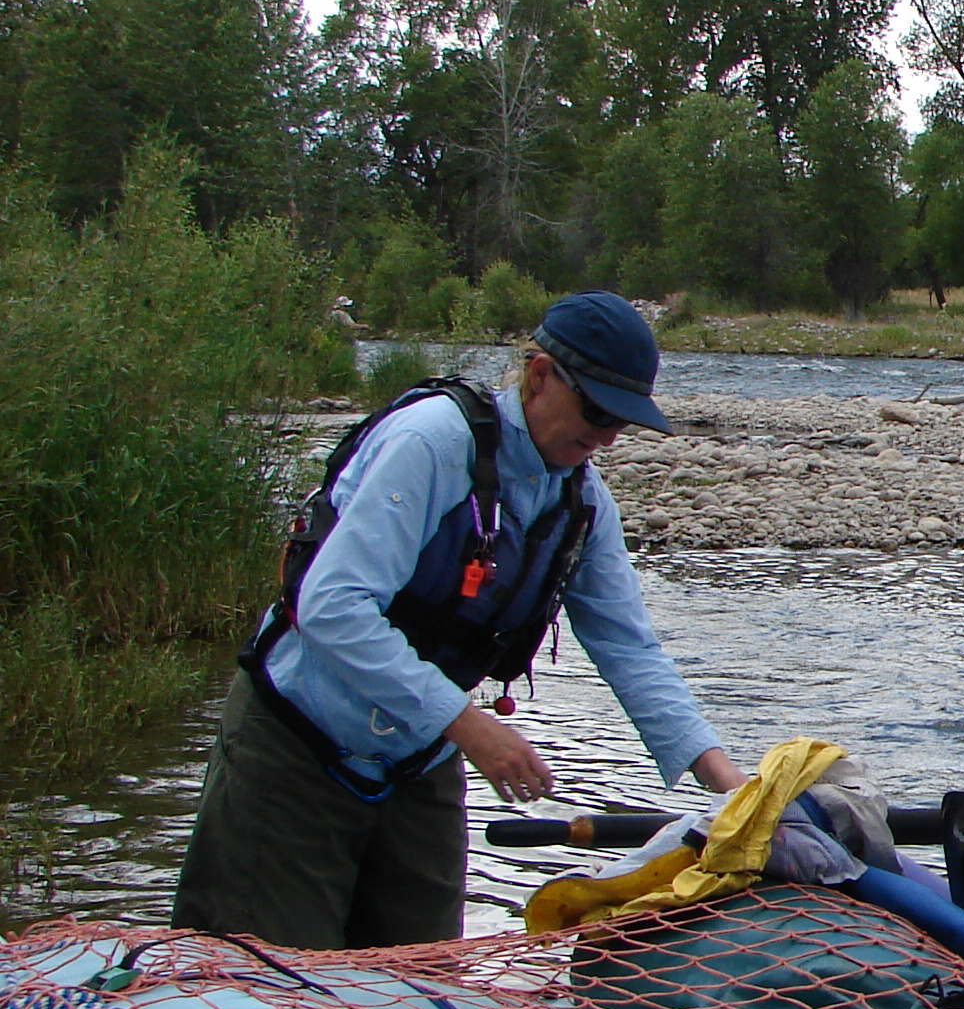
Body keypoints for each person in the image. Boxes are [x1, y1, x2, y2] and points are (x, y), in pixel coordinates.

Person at [175, 291, 746, 949]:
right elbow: (330, 607)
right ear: (538, 376)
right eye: (596, 410)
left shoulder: (583, 502)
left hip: (416, 760)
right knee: (274, 986)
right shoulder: (431, 443)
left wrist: (725, 784)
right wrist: (468, 725)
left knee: (420, 991)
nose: (607, 436)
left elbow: (628, 647)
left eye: (624, 421)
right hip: (294, 746)